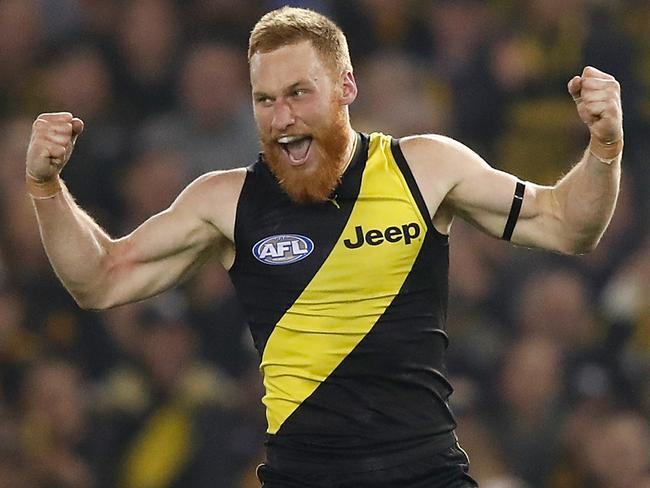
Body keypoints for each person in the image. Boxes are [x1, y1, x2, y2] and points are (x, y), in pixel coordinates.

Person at [24, 6, 623, 488]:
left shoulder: (426, 168)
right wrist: (46, 188)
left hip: (426, 474)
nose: (282, 118)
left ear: (346, 87)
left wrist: (603, 148)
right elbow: (99, 279)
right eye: (264, 100)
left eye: (298, 93)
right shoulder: (225, 202)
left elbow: (569, 225)